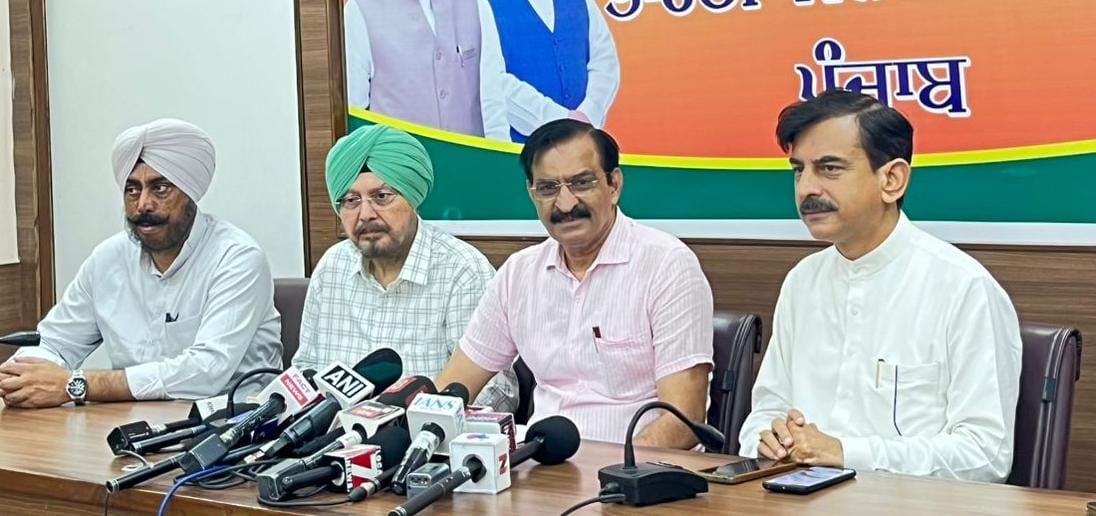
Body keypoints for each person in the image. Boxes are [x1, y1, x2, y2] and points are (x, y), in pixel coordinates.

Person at [739, 89, 1022, 482]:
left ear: (892, 179)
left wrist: (846, 453)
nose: (806, 189)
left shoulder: (962, 287)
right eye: (799, 170)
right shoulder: (802, 281)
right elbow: (766, 412)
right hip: (794, 500)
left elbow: (984, 456)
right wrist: (768, 438)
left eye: (829, 168)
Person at [437, 119, 713, 447]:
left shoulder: (666, 265)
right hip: (541, 464)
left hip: (640, 467)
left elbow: (684, 419)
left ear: (614, 185)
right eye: (548, 188)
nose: (565, 204)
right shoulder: (518, 274)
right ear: (532, 193)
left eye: (581, 183)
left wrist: (613, 470)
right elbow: (452, 388)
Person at [0, 119, 282, 408]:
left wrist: (77, 384)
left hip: (230, 421)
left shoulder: (236, 257)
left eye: (160, 188)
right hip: (128, 419)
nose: (143, 204)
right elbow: (55, 342)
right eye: (132, 189)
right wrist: (21, 377)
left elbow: (205, 371)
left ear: (190, 193)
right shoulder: (107, 260)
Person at [291, 124, 517, 410]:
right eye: (351, 201)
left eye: (381, 197)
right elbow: (305, 368)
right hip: (331, 434)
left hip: (423, 435)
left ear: (412, 198)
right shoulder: (332, 267)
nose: (365, 214)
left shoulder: (462, 271)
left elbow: (495, 392)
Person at [343, 0, 510, 139]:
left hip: (471, 162)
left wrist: (501, 163)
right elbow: (354, 114)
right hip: (399, 166)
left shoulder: (476, 4)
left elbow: (493, 102)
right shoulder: (359, 9)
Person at [481, 0, 620, 142]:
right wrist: (558, 118)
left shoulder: (584, 3)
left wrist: (590, 111)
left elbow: (605, 59)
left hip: (585, 141)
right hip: (525, 145)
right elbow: (491, 80)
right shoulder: (484, 5)